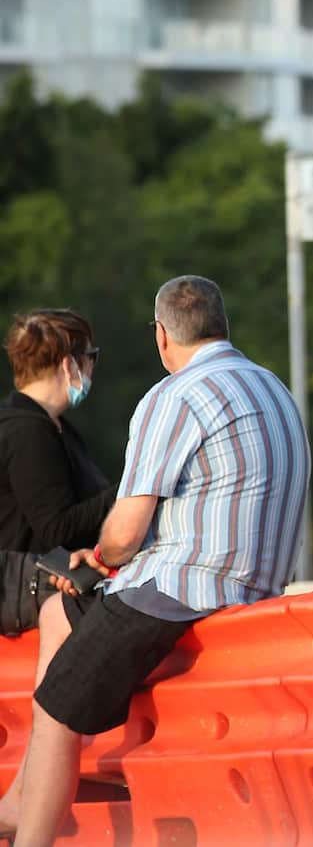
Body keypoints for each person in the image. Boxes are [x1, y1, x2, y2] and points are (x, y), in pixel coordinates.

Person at [5, 275, 310, 845]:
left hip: (180, 589)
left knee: (55, 701)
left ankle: (29, 832)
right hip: (260, 587)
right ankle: (16, 801)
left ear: (162, 337)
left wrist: (98, 557)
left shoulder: (174, 397)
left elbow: (123, 534)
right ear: (223, 328)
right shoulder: (274, 387)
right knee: (59, 612)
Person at [0, 310, 118, 830]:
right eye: (90, 359)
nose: (92, 370)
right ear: (69, 363)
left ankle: (20, 802)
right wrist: (129, 495)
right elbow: (55, 528)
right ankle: (23, 800)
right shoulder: (26, 432)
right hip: (26, 583)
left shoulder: (56, 429)